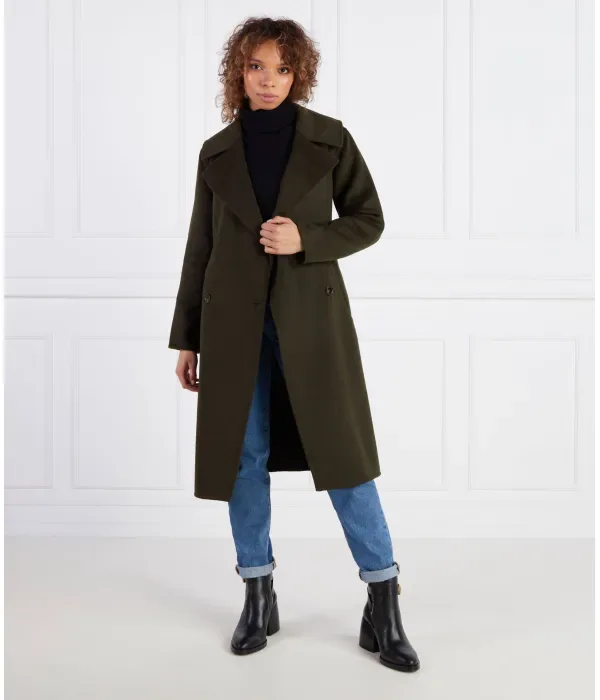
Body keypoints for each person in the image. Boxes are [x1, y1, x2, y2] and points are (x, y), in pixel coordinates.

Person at [168, 16, 420, 672]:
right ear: (239, 72)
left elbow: (369, 219)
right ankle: (258, 594)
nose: (269, 80)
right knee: (243, 458)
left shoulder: (329, 139)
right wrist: (187, 338)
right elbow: (200, 247)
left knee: (345, 458)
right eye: (257, 66)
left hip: (312, 322)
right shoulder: (216, 152)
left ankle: (384, 601)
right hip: (231, 326)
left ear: (298, 74)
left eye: (282, 68)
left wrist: (308, 238)